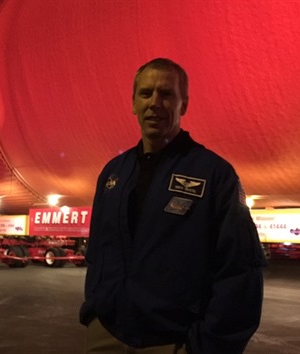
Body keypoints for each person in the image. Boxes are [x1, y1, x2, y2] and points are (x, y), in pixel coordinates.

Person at [80, 58, 266, 354]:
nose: (155, 103)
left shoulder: (214, 174)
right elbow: (98, 253)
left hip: (172, 343)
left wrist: (206, 347)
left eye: (166, 94)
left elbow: (241, 272)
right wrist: (94, 312)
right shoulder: (113, 173)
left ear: (184, 105)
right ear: (133, 104)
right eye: (146, 93)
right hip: (107, 335)